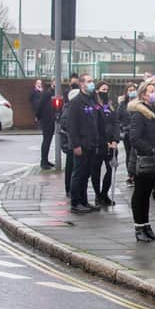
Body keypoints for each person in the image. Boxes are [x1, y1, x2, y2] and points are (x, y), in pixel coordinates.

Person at [129, 80, 155, 242]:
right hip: (142, 160)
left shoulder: (153, 110)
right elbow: (134, 138)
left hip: (152, 159)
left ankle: (146, 226)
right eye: (150, 91)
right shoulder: (139, 114)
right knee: (139, 194)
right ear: (143, 95)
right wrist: (151, 149)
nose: (154, 93)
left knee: (146, 194)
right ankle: (139, 227)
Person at [68, 74, 101, 213]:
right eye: (89, 82)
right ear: (82, 84)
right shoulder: (76, 102)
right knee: (78, 174)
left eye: (92, 81)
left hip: (91, 143)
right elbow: (72, 125)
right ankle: (75, 203)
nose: (91, 84)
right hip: (81, 143)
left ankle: (84, 200)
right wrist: (76, 145)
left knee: (86, 174)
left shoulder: (91, 100)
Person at [92, 81, 119, 207]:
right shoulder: (94, 106)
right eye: (103, 89)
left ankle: (104, 194)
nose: (105, 91)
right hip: (99, 144)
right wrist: (104, 142)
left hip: (111, 145)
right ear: (97, 90)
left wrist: (115, 140)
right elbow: (95, 127)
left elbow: (115, 123)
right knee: (96, 171)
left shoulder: (110, 106)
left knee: (110, 170)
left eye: (107, 89)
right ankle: (98, 195)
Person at [60, 87, 80, 197]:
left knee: (73, 168)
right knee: (71, 167)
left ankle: (71, 189)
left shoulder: (70, 108)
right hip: (71, 144)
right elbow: (66, 126)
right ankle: (69, 189)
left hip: (71, 143)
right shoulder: (69, 109)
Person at [118, 83, 137, 186]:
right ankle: (130, 175)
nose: (132, 91)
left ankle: (136, 174)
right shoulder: (122, 105)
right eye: (130, 90)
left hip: (137, 132)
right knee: (129, 154)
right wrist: (123, 128)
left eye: (133, 89)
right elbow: (118, 118)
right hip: (127, 133)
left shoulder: (139, 103)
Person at [35, 79, 56, 170]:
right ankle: (43, 162)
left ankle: (45, 160)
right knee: (46, 140)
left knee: (48, 140)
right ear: (52, 84)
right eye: (54, 83)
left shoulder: (56, 93)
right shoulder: (47, 93)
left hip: (51, 119)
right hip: (46, 119)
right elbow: (40, 105)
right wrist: (38, 116)